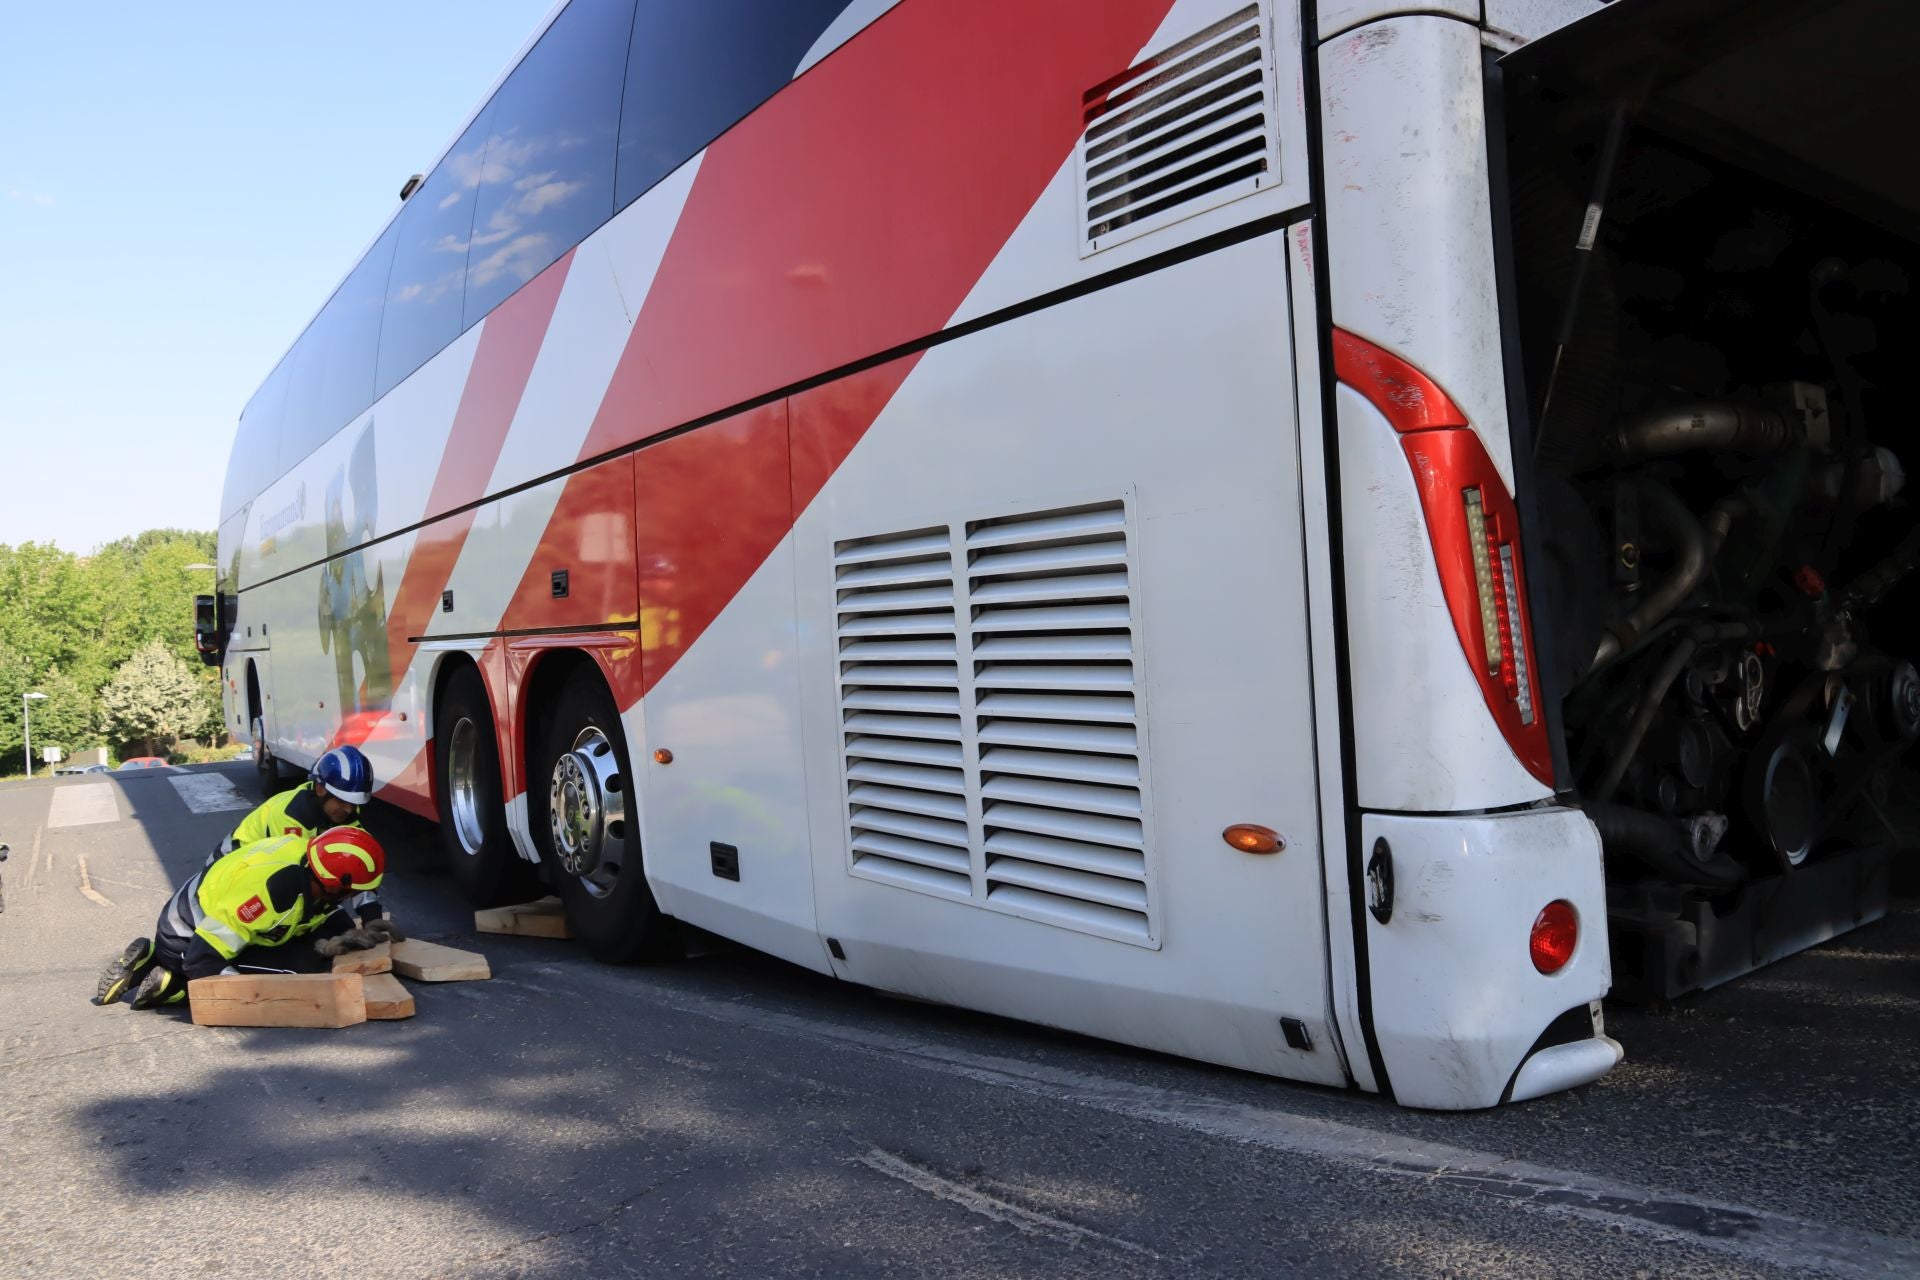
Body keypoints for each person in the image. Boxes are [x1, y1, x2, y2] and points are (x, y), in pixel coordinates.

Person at [94, 826, 400, 1010]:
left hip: (206, 916)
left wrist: (349, 933)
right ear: (333, 885)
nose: (355, 898)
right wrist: (235, 995)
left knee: (334, 938)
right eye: (353, 892)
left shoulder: (309, 858)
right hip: (186, 940)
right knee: (301, 975)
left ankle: (161, 971)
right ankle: (173, 981)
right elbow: (204, 960)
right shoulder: (270, 895)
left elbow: (321, 912)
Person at [213, 745, 387, 930]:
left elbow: (355, 862)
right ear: (320, 789)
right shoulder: (290, 819)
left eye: (353, 804)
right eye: (342, 801)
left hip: (259, 869)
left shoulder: (343, 812)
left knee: (337, 925)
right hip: (231, 874)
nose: (348, 809)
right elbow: (299, 883)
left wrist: (371, 914)